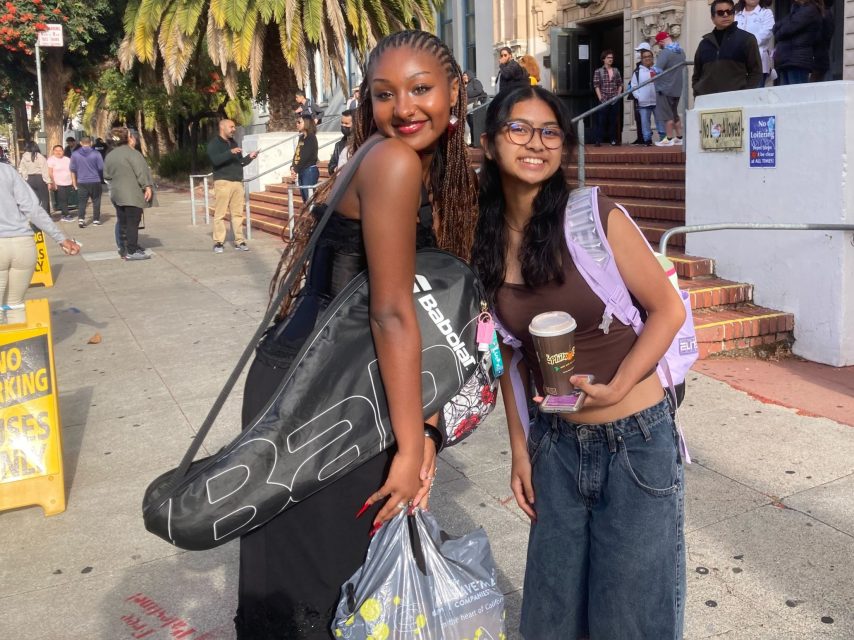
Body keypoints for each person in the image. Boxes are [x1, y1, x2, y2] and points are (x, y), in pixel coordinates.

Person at [234, 29, 478, 639]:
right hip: (325, 392)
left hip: (311, 375)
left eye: (421, 89)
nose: (404, 108)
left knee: (308, 574)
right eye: (384, 94)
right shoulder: (392, 161)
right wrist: (413, 441)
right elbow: (391, 314)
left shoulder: (377, 158)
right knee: (333, 579)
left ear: (455, 92)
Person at [470, 84, 686, 640]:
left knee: (630, 621)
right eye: (519, 128)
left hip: (635, 440)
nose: (535, 143)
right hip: (556, 448)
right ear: (491, 143)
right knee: (551, 619)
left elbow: (666, 312)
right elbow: (511, 358)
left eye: (549, 132)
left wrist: (617, 386)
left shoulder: (594, 217)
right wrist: (520, 451)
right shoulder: (483, 238)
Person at [0, 163, 79, 324]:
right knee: (15, 305)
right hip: (23, 245)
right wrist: (61, 238)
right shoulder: (7, 171)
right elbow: (33, 208)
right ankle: (19, 348)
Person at [206, 119, 258, 253]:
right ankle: (218, 242)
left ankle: (239, 241)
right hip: (223, 182)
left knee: (237, 214)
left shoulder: (233, 143)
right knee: (220, 213)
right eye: (231, 127)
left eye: (234, 127)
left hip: (237, 182)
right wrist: (230, 152)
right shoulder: (214, 143)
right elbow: (215, 161)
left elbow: (240, 163)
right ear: (222, 127)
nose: (234, 129)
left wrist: (250, 157)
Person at [103, 127, 155, 261]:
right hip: (132, 194)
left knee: (123, 221)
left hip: (116, 194)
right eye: (132, 136)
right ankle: (131, 250)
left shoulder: (110, 154)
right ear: (129, 138)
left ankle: (124, 248)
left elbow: (106, 175)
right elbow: (141, 172)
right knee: (133, 222)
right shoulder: (133, 153)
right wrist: (147, 186)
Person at [693, 0, 762, 96]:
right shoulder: (704, 44)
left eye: (729, 12)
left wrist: (746, 94)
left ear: (733, 15)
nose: (725, 15)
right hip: (707, 102)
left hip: (736, 101)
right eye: (720, 13)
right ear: (713, 18)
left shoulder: (747, 39)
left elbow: (756, 72)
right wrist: (697, 94)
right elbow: (697, 75)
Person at [773, 0, 824, 85]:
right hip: (787, 59)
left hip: (797, 60)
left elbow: (786, 29)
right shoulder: (798, 9)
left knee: (797, 94)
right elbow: (776, 27)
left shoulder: (810, 10)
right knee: (787, 95)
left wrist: (779, 32)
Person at [654, 31, 687, 146]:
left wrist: (651, 73)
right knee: (674, 114)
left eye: (659, 43)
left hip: (664, 88)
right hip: (677, 88)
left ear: (662, 41)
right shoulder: (681, 52)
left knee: (666, 115)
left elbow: (657, 70)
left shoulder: (665, 52)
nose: (659, 46)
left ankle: (668, 138)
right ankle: (679, 137)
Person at [735, 0, 776, 87]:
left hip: (759, 62)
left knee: (756, 96)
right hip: (738, 65)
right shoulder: (736, 14)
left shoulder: (766, 13)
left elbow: (766, 33)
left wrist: (745, 44)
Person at [70, 136, 105, 227]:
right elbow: (101, 167)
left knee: (82, 202)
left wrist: (74, 181)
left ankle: (81, 219)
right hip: (95, 180)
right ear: (91, 143)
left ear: (81, 143)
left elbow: (72, 168)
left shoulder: (75, 154)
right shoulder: (96, 154)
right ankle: (96, 220)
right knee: (96, 201)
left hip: (81, 181)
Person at [592, 49, 622, 146]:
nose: (610, 59)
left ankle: (613, 139)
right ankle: (598, 140)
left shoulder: (616, 70)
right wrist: (600, 98)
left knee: (613, 121)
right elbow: (596, 85)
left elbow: (620, 84)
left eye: (612, 58)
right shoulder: (598, 71)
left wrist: (618, 95)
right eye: (608, 58)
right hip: (603, 99)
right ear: (603, 59)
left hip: (614, 99)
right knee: (602, 120)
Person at [630, 49, 659, 146]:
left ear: (652, 58)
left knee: (660, 121)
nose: (647, 59)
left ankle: (663, 138)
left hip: (657, 100)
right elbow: (633, 86)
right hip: (643, 102)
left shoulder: (656, 69)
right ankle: (647, 140)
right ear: (642, 59)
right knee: (645, 122)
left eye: (649, 56)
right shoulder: (637, 72)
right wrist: (639, 96)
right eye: (645, 57)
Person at [290, 114, 319, 203]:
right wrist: (292, 167)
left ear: (306, 123)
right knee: (305, 200)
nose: (297, 124)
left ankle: (315, 216)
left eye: (299, 122)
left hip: (309, 171)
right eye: (296, 122)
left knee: (309, 200)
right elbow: (297, 154)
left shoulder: (311, 137)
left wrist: (295, 169)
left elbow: (305, 156)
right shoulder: (301, 137)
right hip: (302, 171)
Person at [17, 142, 51, 214]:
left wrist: (26, 179)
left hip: (30, 179)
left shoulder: (24, 157)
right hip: (39, 178)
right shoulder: (39, 156)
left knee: (35, 199)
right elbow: (44, 170)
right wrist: (48, 181)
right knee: (44, 199)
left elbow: (22, 170)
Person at [47, 145, 74, 223]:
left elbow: (72, 171)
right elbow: (50, 172)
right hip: (58, 183)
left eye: (60, 150)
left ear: (63, 151)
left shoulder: (67, 159)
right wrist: (52, 182)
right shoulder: (51, 160)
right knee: (63, 199)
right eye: (56, 150)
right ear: (53, 151)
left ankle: (63, 213)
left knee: (67, 199)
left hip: (68, 182)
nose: (58, 152)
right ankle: (66, 214)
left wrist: (73, 181)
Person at [811, 4, 834, 82]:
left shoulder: (824, 14)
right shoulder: (825, 14)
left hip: (818, 56)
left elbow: (825, 35)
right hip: (820, 55)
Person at [327, 109, 353, 175]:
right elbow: (331, 165)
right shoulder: (338, 145)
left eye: (346, 123)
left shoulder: (362, 144)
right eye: (342, 123)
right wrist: (335, 169)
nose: (343, 125)